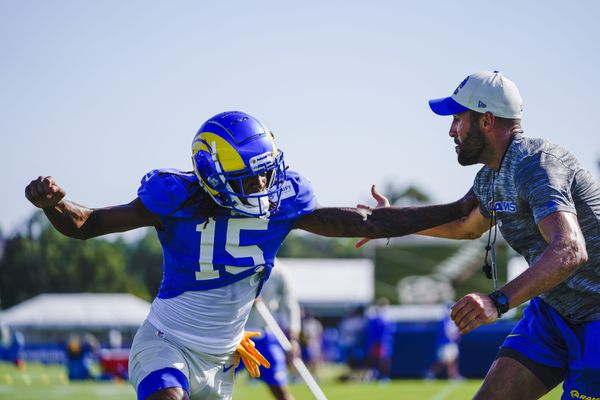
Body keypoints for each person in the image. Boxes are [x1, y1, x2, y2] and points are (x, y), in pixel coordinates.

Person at [25, 110, 476, 400]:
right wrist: (55, 205)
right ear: (211, 175)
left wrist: (459, 208)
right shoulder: (174, 200)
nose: (263, 188)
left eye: (265, 175)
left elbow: (368, 223)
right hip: (167, 343)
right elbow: (87, 225)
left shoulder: (283, 203)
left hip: (222, 361)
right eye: (249, 180)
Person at [364, 72, 600, 399]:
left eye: (458, 119)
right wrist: (393, 222)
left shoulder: (536, 163)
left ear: (486, 121)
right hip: (555, 311)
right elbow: (465, 225)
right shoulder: (490, 177)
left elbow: (571, 250)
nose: (451, 130)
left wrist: (497, 301)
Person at [243, 261, 301, 400]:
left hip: (265, 333)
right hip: (234, 334)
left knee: (280, 388)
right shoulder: (234, 261)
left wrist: (293, 338)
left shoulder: (279, 270)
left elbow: (290, 303)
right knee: (214, 387)